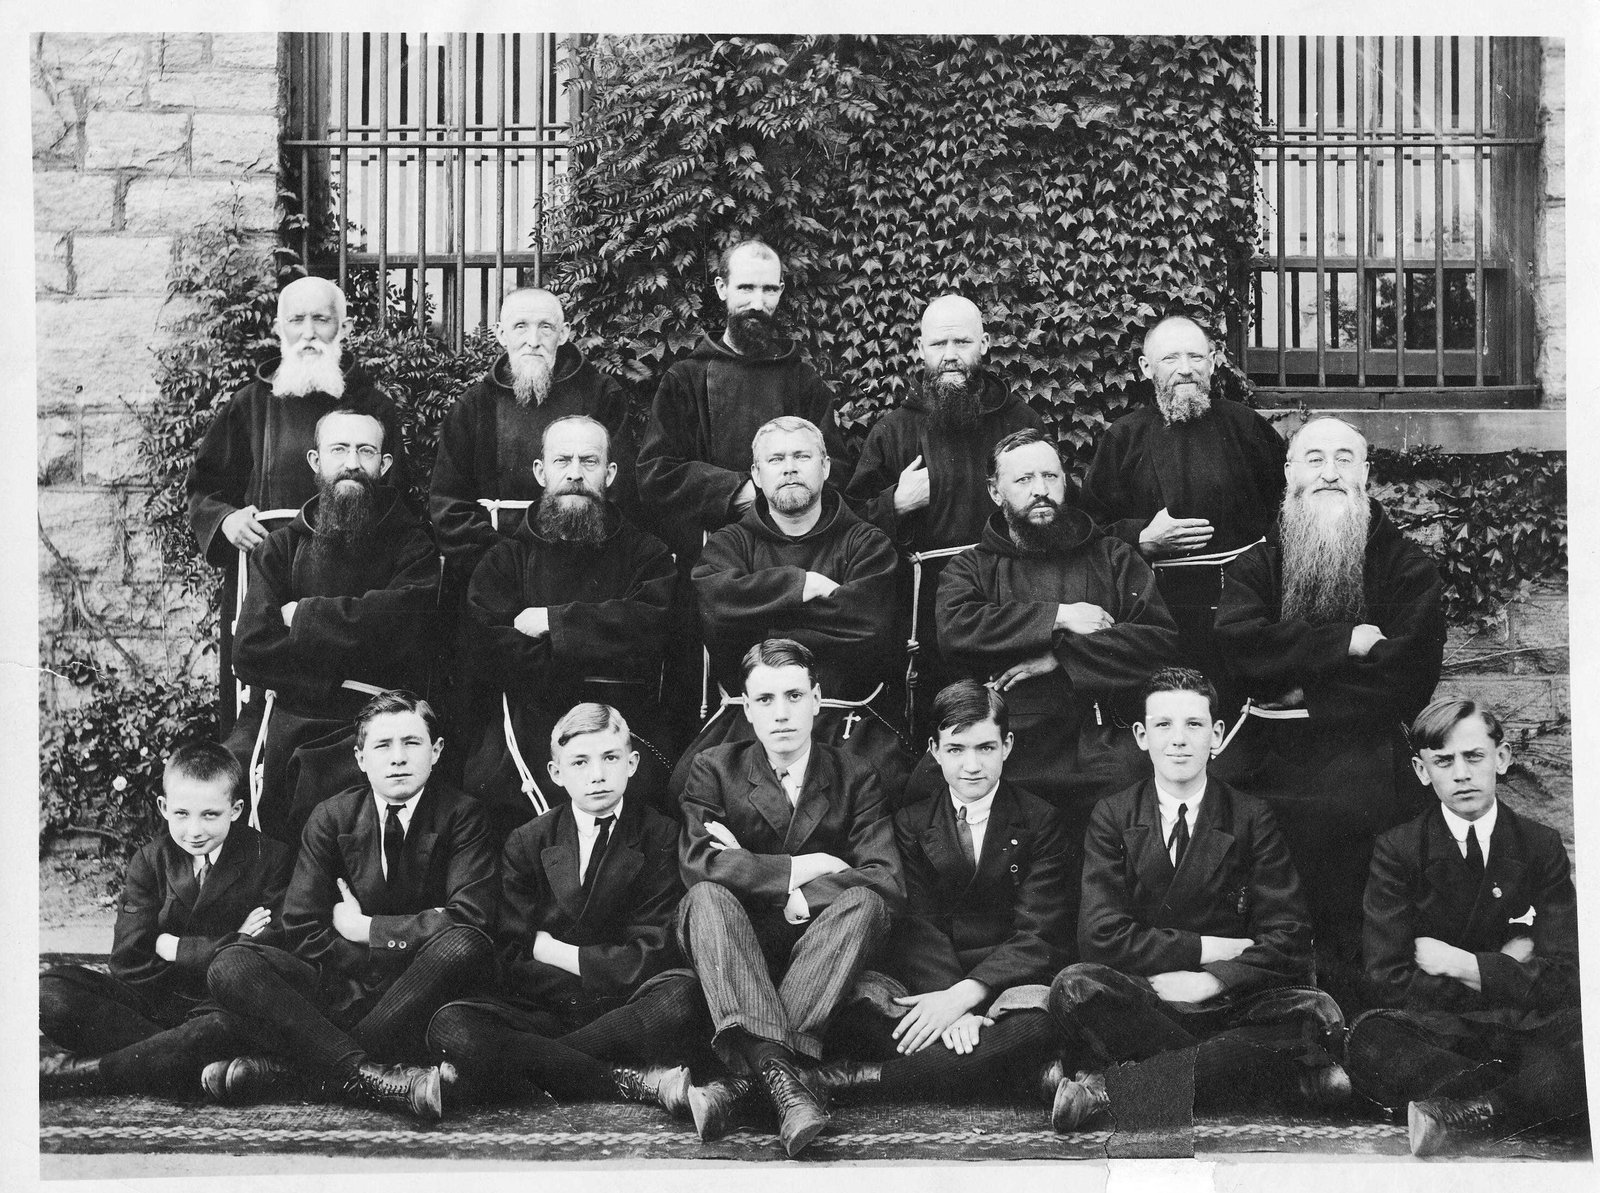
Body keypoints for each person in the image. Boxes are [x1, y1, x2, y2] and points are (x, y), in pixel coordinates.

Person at [1048, 667, 1349, 1132]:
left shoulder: (1251, 817)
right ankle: (1251, 1077)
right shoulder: (1113, 815)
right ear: (1142, 736)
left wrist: (1214, 980)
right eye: (1164, 725)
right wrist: (1209, 950)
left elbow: (1289, 935)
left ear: (1218, 734)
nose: (1179, 740)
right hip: (1150, 999)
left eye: (1194, 724)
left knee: (1315, 1012)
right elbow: (1100, 935)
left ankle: (1111, 1093)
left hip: (1233, 1002)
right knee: (1074, 987)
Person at [1213, 415, 1446, 1005]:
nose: (1330, 473)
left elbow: (1407, 676)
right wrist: (1348, 643)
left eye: (1345, 459)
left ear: (1366, 474)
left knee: (1360, 809)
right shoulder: (1258, 564)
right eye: (1314, 459)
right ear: (1290, 473)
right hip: (1264, 746)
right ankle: (1256, 989)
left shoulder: (1406, 566)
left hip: (1360, 746)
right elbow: (1240, 648)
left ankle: (1345, 996)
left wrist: (1305, 693)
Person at [203, 692, 496, 1121]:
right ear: (359, 758)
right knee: (230, 963)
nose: (398, 758)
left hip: (421, 989)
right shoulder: (331, 817)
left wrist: (367, 930)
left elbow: (469, 918)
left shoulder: (464, 815)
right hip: (342, 986)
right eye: (382, 746)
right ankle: (368, 1073)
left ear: (436, 751)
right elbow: (301, 925)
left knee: (463, 946)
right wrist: (365, 961)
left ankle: (296, 1072)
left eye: (412, 743)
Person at [808, 681, 1083, 1128]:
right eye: (956, 749)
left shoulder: (1042, 822)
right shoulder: (911, 823)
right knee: (862, 1004)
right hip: (933, 981)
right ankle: (1022, 1074)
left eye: (986, 747)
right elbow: (918, 923)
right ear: (934, 750)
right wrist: (949, 1003)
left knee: (1041, 1020)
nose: (971, 765)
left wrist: (966, 1000)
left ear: (1007, 745)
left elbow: (1038, 933)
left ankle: (866, 1079)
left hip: (1006, 983)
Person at [674, 639, 904, 1156]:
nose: (782, 714)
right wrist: (810, 866)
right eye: (766, 700)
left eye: (795, 696)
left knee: (866, 906)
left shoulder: (855, 773)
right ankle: (789, 1078)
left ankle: (756, 1081)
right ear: (747, 709)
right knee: (708, 897)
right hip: (733, 944)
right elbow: (699, 864)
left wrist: (788, 893)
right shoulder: (714, 767)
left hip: (814, 952)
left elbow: (884, 879)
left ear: (817, 700)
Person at [428, 704, 709, 1125]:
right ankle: (620, 1078)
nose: (596, 775)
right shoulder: (527, 841)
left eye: (610, 758)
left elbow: (651, 950)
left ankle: (531, 1070)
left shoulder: (661, 835)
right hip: (545, 1006)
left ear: (632, 764)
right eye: (580, 762)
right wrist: (563, 967)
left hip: (622, 1006)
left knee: (682, 997)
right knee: (450, 1024)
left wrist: (556, 950)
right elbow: (512, 951)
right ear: (556, 773)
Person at [1346, 698, 1585, 1157]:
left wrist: (1462, 964)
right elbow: (1387, 977)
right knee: (1370, 1037)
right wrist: (1504, 970)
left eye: (1474, 756)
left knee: (1585, 1031)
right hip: (1443, 1030)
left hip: (1525, 1027)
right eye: (1443, 761)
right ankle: (1520, 1099)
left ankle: (1473, 1111)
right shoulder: (1398, 850)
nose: (1461, 773)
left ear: (1502, 758)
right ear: (1421, 770)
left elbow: (1566, 973)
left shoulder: (1539, 845)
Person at [636, 240, 850, 735]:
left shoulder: (803, 380)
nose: (757, 301)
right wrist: (743, 492)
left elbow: (835, 464)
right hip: (717, 563)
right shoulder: (686, 378)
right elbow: (656, 472)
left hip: (799, 556)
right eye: (745, 287)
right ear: (721, 290)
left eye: (768, 288)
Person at [186, 276, 409, 731]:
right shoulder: (251, 404)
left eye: (321, 320)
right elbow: (204, 487)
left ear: (341, 328)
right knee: (262, 715)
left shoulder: (374, 407)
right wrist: (225, 522)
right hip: (271, 576)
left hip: (350, 575)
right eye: (297, 321)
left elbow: (395, 495)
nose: (308, 332)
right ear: (278, 329)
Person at [933, 427, 1181, 835]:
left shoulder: (1113, 556)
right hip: (1010, 742)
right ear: (996, 492)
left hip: (1099, 738)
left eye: (1050, 477)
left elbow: (1156, 641)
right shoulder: (970, 567)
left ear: (1066, 482)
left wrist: (1060, 656)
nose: (1040, 490)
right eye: (1024, 479)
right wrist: (1058, 617)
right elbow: (956, 629)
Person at [224, 406, 439, 845]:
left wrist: (301, 616)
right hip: (291, 712)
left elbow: (405, 630)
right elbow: (250, 651)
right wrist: (354, 643)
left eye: (366, 451)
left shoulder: (412, 546)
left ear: (385, 464)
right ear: (315, 461)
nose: (352, 463)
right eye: (339, 450)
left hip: (376, 716)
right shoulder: (282, 547)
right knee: (226, 777)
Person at [461, 416, 676, 842]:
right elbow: (489, 649)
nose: (575, 473)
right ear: (542, 472)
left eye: (589, 461)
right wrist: (598, 649)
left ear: (610, 474)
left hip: (626, 728)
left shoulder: (646, 555)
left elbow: (652, 630)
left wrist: (552, 622)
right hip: (529, 728)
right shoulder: (504, 561)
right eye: (563, 460)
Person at [40, 743, 291, 1098]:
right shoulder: (149, 860)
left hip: (218, 1007)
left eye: (210, 815)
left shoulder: (271, 858)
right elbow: (127, 961)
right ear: (164, 807)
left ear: (235, 810)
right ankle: (184, 1062)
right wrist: (230, 939)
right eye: (182, 814)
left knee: (223, 1028)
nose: (194, 830)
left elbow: (266, 953)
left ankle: (90, 1075)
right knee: (49, 993)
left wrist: (170, 945)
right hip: (151, 1004)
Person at [845, 295, 1045, 730]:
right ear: (920, 348)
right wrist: (895, 504)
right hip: (923, 613)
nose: (951, 356)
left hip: (1008, 598)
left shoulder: (1020, 422)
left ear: (985, 344)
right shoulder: (894, 430)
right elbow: (851, 524)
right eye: (939, 344)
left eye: (962, 341)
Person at [1079, 313, 1286, 684]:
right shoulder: (1124, 438)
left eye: (1196, 357)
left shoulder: (1247, 427)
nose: (1186, 369)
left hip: (1242, 610)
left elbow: (1286, 510)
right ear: (1146, 367)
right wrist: (1141, 538)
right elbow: (1089, 526)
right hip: (1158, 613)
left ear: (1212, 362)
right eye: (1171, 359)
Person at [429, 287, 635, 579]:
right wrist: (505, 566)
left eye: (546, 328)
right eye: (520, 327)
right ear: (501, 335)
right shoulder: (474, 406)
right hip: (494, 570)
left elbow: (621, 491)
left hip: (582, 569)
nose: (533, 341)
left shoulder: (601, 395)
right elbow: (448, 505)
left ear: (563, 334)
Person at [694, 416, 898, 699]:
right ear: (756, 474)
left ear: (825, 467)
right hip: (749, 717)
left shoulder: (867, 544)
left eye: (801, 456)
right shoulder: (728, 545)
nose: (789, 469)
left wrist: (762, 623)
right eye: (776, 459)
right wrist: (801, 585)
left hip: (846, 716)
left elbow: (870, 632)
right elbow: (716, 617)